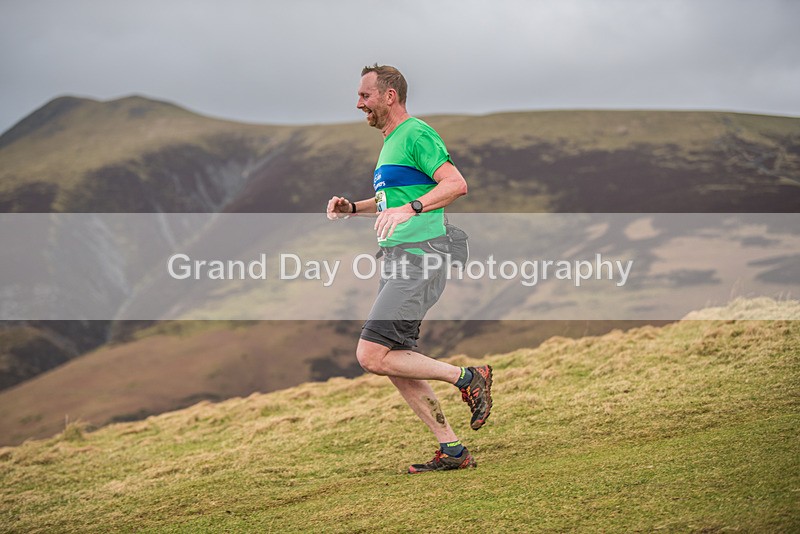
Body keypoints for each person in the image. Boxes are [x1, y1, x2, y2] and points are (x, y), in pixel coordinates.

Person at [326, 64, 493, 474]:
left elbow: (455, 184)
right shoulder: (391, 143)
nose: (358, 103)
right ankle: (452, 449)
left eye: (365, 95)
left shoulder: (415, 133)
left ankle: (468, 377)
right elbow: (391, 204)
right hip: (400, 260)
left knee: (371, 354)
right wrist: (353, 208)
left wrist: (413, 208)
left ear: (390, 96)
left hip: (420, 257)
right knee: (393, 357)